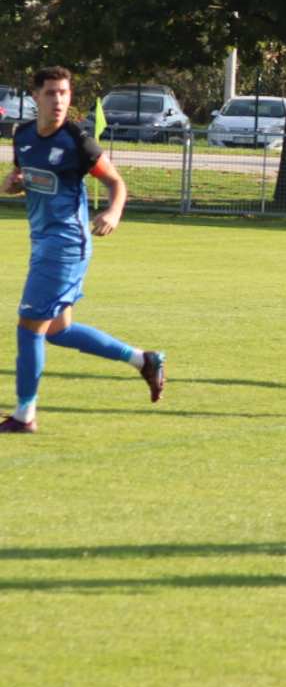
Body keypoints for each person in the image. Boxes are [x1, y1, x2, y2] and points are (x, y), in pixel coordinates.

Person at [2, 67, 164, 434]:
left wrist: (114, 210)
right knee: (58, 330)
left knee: (29, 327)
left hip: (65, 245)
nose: (58, 100)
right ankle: (144, 360)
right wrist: (12, 184)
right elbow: (22, 179)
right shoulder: (23, 136)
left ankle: (25, 414)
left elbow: (115, 181)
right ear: (35, 97)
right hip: (41, 243)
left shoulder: (77, 140)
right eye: (51, 93)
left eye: (64, 93)